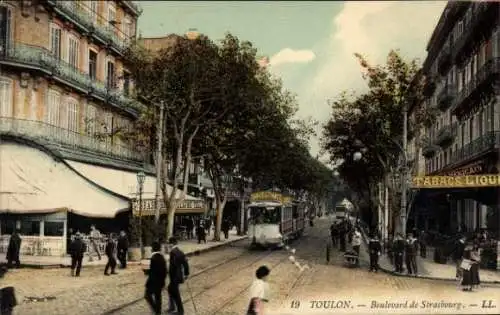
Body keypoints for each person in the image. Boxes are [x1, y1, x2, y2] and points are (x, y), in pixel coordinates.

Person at [167, 237, 190, 315]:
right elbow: (185, 263)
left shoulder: (173, 252)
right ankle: (172, 307)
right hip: (178, 275)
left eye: (169, 243)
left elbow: (173, 266)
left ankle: (180, 311)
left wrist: (169, 272)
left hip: (174, 276)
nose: (168, 245)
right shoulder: (180, 252)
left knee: (175, 293)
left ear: (171, 244)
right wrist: (186, 274)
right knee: (170, 289)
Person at [144, 241, 167, 315]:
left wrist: (147, 272)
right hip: (160, 282)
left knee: (147, 295)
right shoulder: (162, 257)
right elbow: (164, 271)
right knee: (158, 297)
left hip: (153, 282)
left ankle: (156, 310)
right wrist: (163, 282)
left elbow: (153, 272)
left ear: (153, 248)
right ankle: (158, 311)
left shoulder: (153, 258)